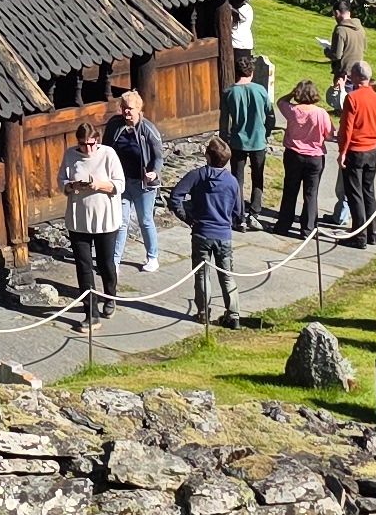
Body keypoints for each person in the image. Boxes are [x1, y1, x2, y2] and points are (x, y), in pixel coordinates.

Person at [58, 125, 129, 318]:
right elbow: (61, 181)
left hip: (105, 219)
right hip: (79, 220)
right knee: (83, 265)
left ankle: (110, 296)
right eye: (83, 144)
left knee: (106, 263)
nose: (88, 149)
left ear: (97, 140)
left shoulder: (108, 154)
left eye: (91, 144)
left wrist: (99, 185)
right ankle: (91, 312)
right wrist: (72, 185)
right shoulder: (71, 155)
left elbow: (120, 184)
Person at [169, 143, 242, 324]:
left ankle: (203, 313)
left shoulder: (198, 175)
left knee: (202, 274)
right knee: (227, 275)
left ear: (208, 157)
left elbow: (175, 196)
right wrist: (228, 222)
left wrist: (187, 217)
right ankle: (234, 316)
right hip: (223, 235)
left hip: (201, 233)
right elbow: (238, 211)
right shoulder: (232, 181)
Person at [107, 89, 166, 274]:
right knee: (121, 222)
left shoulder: (148, 129)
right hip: (122, 182)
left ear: (139, 109)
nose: (126, 112)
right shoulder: (114, 126)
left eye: (130, 108)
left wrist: (154, 173)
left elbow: (158, 156)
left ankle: (152, 257)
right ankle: (114, 261)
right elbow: (106, 149)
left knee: (145, 220)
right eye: (123, 108)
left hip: (143, 184)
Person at [336, 66, 376, 242]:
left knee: (355, 193)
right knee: (368, 191)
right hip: (372, 151)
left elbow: (347, 128)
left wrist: (342, 152)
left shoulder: (352, 98)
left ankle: (359, 236)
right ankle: (371, 233)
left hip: (355, 150)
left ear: (357, 77)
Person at [278, 78, 332, 237]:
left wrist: (291, 93)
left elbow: (280, 101)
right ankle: (307, 229)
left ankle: (283, 225)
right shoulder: (321, 113)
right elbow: (328, 135)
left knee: (290, 191)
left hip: (293, 155)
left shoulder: (292, 110)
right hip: (315, 157)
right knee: (311, 193)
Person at [224, 55, 278, 195]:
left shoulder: (229, 93)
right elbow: (271, 116)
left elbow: (225, 121)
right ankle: (255, 207)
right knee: (258, 175)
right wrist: (266, 132)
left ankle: (237, 208)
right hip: (258, 139)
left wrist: (225, 139)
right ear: (251, 72)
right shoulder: (261, 90)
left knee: (237, 177)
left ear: (235, 72)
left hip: (237, 141)